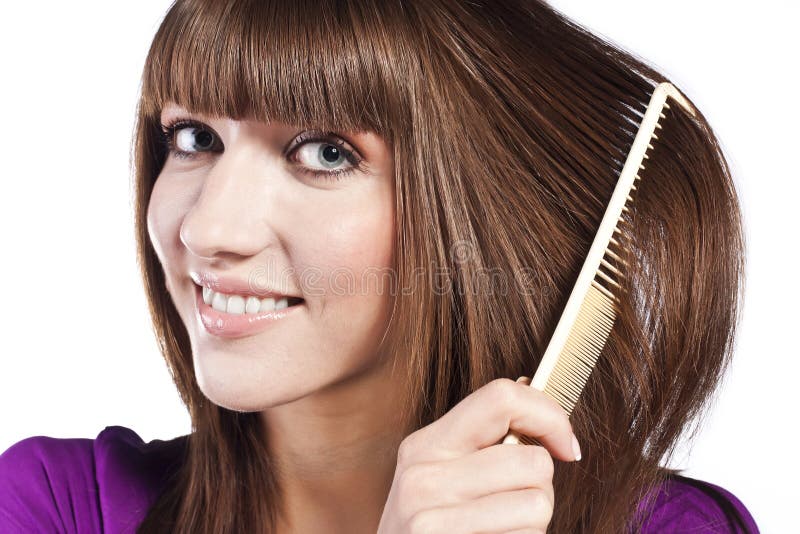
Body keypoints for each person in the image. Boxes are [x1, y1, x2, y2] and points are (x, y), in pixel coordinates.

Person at [0, 0, 759, 532]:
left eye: (325, 152)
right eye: (194, 137)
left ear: (473, 207)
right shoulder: (55, 508)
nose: (208, 229)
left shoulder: (672, 531)